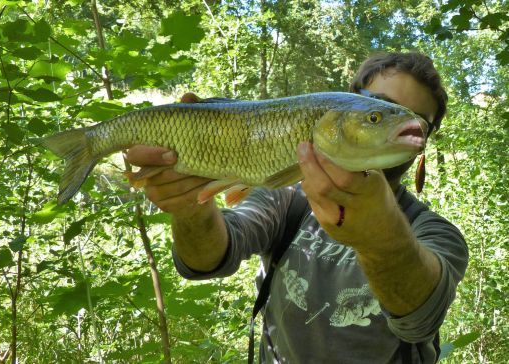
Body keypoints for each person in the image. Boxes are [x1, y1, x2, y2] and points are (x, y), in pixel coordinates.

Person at [125, 52, 468, 363]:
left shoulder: (435, 233)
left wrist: (380, 237)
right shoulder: (286, 197)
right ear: (345, 105)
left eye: (420, 121)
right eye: (378, 109)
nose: (404, 122)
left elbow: (420, 321)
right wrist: (190, 206)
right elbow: (207, 261)